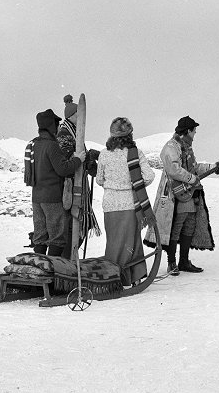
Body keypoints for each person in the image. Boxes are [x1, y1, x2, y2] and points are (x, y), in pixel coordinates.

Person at [144, 115, 219, 274]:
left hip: (188, 193)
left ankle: (184, 261)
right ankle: (172, 262)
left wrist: (213, 167)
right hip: (175, 195)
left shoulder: (186, 147)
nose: (195, 134)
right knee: (176, 226)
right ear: (187, 131)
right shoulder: (171, 147)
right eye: (194, 131)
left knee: (189, 226)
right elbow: (174, 170)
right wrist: (192, 178)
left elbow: (193, 167)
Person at [96, 117, 155, 286]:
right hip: (130, 204)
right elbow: (150, 176)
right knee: (131, 241)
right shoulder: (135, 153)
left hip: (110, 205)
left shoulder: (104, 154)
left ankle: (113, 277)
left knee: (114, 241)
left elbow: (99, 180)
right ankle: (133, 277)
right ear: (129, 134)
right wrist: (134, 185)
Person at [24, 109, 84, 256]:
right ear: (52, 126)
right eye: (57, 125)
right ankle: (53, 271)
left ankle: (40, 269)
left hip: (37, 198)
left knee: (40, 236)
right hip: (52, 198)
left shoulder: (33, 144)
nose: (58, 128)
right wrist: (78, 159)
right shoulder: (51, 145)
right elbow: (63, 169)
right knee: (57, 237)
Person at [55, 94, 99, 258]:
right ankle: (67, 258)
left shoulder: (73, 131)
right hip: (71, 186)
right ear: (72, 116)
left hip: (78, 184)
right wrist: (87, 158)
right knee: (75, 222)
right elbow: (69, 157)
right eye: (78, 115)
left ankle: (70, 256)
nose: (80, 118)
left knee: (78, 222)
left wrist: (88, 159)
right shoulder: (65, 134)